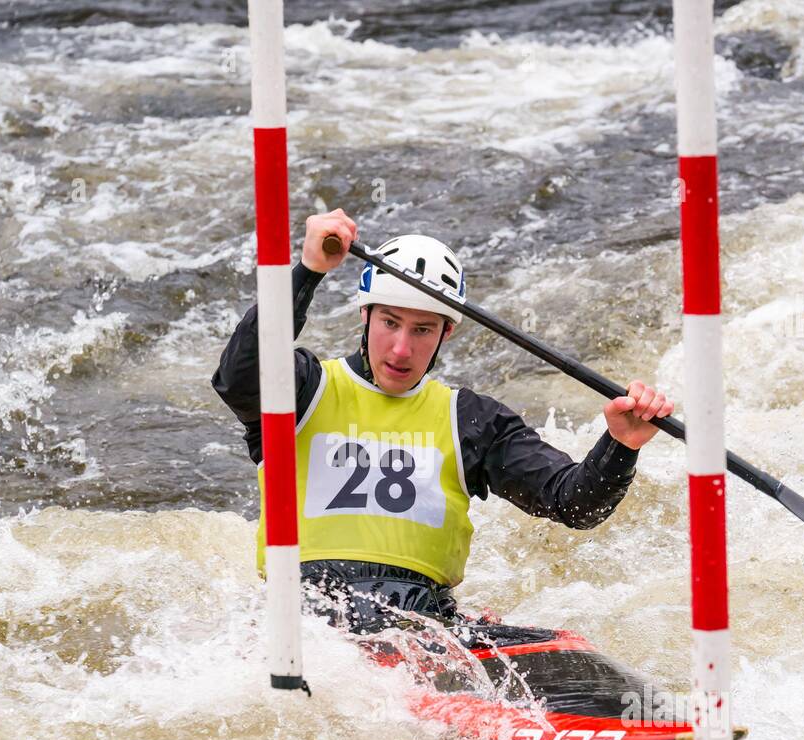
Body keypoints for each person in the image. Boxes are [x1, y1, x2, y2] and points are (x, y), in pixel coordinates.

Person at [212, 208, 674, 636]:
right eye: (390, 322)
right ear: (364, 314)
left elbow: (573, 504)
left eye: (422, 330)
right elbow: (236, 377)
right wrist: (308, 272)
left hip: (425, 624)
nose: (400, 349)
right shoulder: (301, 390)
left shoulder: (472, 420)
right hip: (307, 618)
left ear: (446, 332)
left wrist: (621, 444)